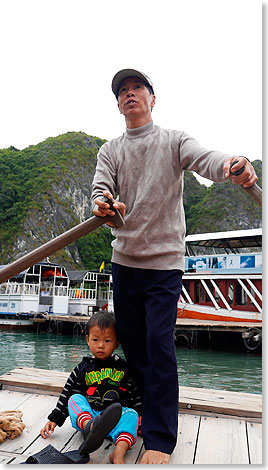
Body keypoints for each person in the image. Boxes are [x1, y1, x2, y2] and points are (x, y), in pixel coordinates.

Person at [91, 68, 258, 464]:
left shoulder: (173, 141)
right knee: (134, 347)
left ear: (152, 98)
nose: (130, 94)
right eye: (123, 91)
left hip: (164, 264)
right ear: (118, 105)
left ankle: (161, 438)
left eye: (138, 88)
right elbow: (101, 189)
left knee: (160, 347)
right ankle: (143, 414)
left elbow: (208, 159)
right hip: (125, 261)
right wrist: (102, 204)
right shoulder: (110, 150)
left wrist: (234, 163)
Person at [40, 311, 142, 464]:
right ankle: (91, 427)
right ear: (88, 340)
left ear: (117, 343)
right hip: (90, 415)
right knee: (75, 399)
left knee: (132, 414)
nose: (101, 345)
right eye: (95, 339)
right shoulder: (82, 368)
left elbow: (134, 393)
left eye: (107, 341)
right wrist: (54, 419)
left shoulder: (123, 368)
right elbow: (67, 393)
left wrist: (140, 414)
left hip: (114, 418)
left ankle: (118, 453)